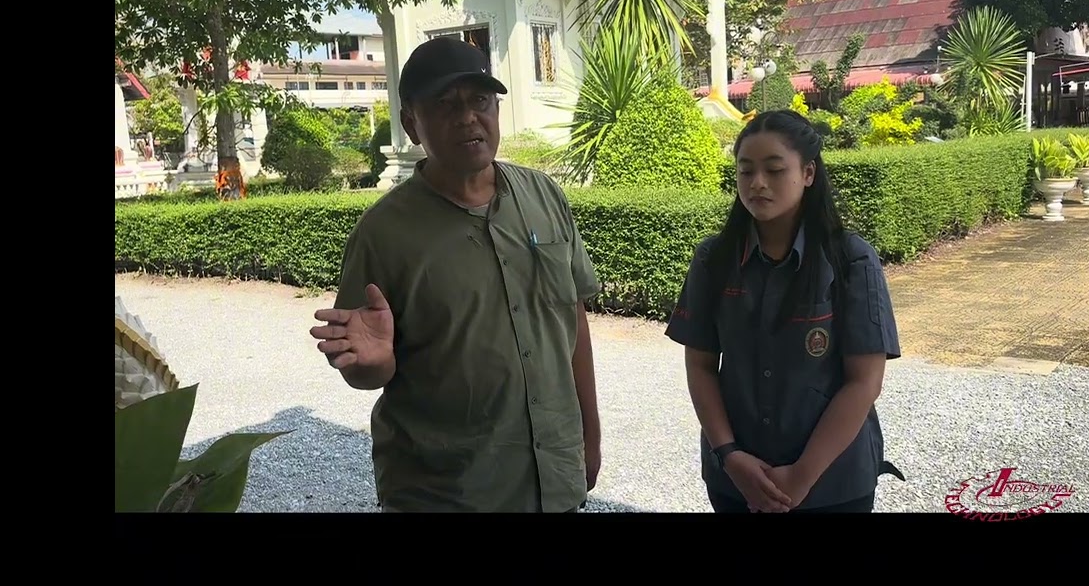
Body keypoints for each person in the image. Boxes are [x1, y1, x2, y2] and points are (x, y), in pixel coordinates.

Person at [309, 37, 602, 513]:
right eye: (445, 104)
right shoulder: (384, 233)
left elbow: (574, 322)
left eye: (480, 101)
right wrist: (372, 362)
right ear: (411, 123)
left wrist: (589, 435)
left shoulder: (544, 197)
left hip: (553, 478)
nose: (468, 117)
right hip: (445, 491)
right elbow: (366, 369)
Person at [665, 109, 905, 514]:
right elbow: (702, 366)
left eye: (775, 170)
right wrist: (730, 455)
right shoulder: (714, 259)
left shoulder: (849, 259)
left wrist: (801, 476)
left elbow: (864, 382)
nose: (757, 183)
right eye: (746, 171)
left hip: (832, 485)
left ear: (808, 173)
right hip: (738, 481)